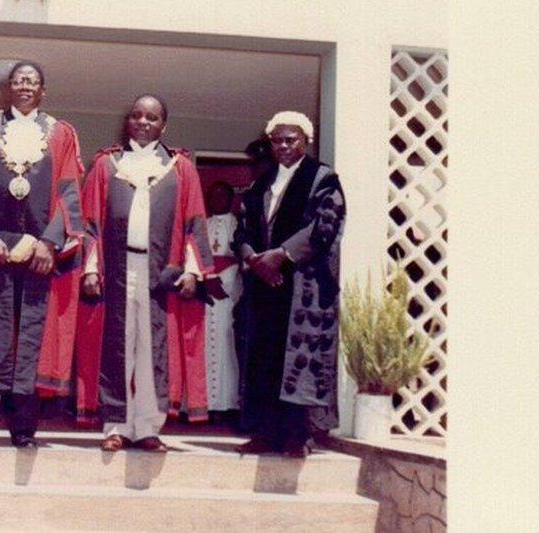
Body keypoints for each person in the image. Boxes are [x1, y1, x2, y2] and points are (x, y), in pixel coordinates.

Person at [0, 61, 84, 449]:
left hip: (41, 248)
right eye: (19, 81)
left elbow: (71, 191)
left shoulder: (62, 133)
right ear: (8, 89)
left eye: (33, 81)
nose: (25, 86)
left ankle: (24, 428)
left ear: (43, 91)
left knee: (33, 338)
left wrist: (51, 241)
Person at [75, 94, 217, 453]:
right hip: (117, 269)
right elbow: (89, 221)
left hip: (160, 272)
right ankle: (116, 425)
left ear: (163, 125)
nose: (142, 122)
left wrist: (192, 270)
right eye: (136, 115)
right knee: (118, 346)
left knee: (152, 349)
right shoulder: (107, 165)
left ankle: (149, 427)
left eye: (151, 118)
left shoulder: (180, 168)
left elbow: (193, 221)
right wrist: (90, 267)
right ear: (128, 121)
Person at [234, 111, 346, 457]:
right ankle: (266, 433)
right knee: (264, 357)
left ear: (305, 141)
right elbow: (242, 230)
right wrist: (254, 259)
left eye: (290, 139)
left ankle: (299, 437)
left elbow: (324, 227)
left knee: (298, 361)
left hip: (303, 288)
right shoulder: (260, 183)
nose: (282, 146)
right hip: (264, 285)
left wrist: (280, 255)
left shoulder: (323, 179)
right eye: (277, 140)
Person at [203, 181, 242, 416]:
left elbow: (241, 260)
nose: (217, 199)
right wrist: (206, 280)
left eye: (222, 195)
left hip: (227, 296)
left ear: (230, 198)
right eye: (213, 195)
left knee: (226, 348)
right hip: (206, 295)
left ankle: (226, 404)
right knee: (205, 346)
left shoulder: (238, 224)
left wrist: (225, 282)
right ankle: (204, 404)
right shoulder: (203, 225)